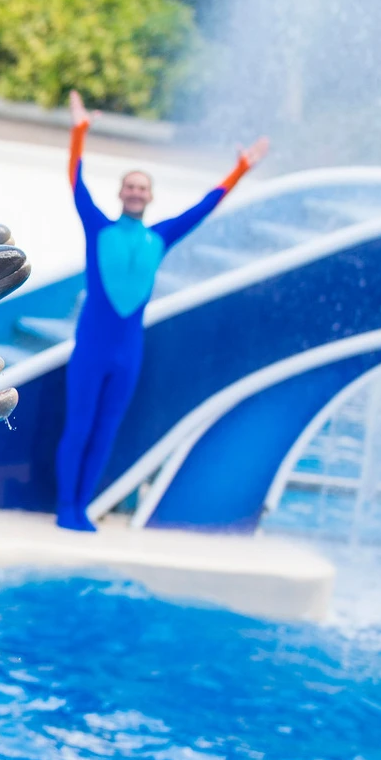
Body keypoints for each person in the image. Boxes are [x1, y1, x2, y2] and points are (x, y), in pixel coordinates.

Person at [53, 89, 269, 531]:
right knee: (78, 427)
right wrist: (78, 132)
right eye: (130, 186)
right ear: (120, 193)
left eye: (142, 188)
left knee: (106, 430)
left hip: (127, 351)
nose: (135, 193)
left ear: (150, 197)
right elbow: (76, 180)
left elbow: (205, 207)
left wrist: (240, 170)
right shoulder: (98, 227)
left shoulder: (161, 237)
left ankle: (84, 508)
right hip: (93, 346)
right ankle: (65, 508)